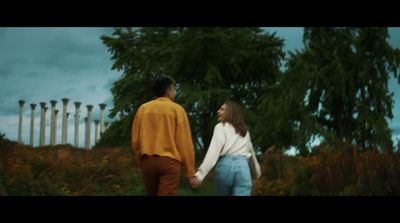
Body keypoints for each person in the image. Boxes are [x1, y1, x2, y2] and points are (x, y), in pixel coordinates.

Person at [131, 75, 196, 196]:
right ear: (168, 90)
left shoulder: (143, 109)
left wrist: (141, 157)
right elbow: (184, 142)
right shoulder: (177, 110)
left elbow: (135, 140)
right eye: (174, 89)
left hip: (147, 160)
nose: (175, 93)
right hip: (170, 162)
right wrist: (190, 171)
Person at [190, 101, 261, 196]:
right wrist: (257, 172)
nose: (218, 111)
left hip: (225, 166)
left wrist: (200, 174)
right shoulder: (245, 131)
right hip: (243, 168)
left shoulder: (220, 127)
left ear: (230, 112)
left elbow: (213, 152)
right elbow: (252, 153)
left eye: (222, 109)